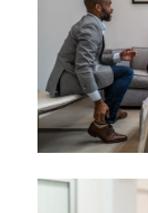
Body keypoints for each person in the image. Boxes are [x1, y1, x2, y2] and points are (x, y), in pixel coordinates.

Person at [46, 0, 135, 143]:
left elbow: (94, 59)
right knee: (126, 73)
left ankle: (111, 110)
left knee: (121, 71)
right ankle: (102, 123)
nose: (112, 9)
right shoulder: (90, 27)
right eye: (109, 5)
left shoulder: (92, 23)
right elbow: (83, 67)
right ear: (98, 7)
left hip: (74, 73)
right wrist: (98, 101)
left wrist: (119, 57)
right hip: (68, 78)